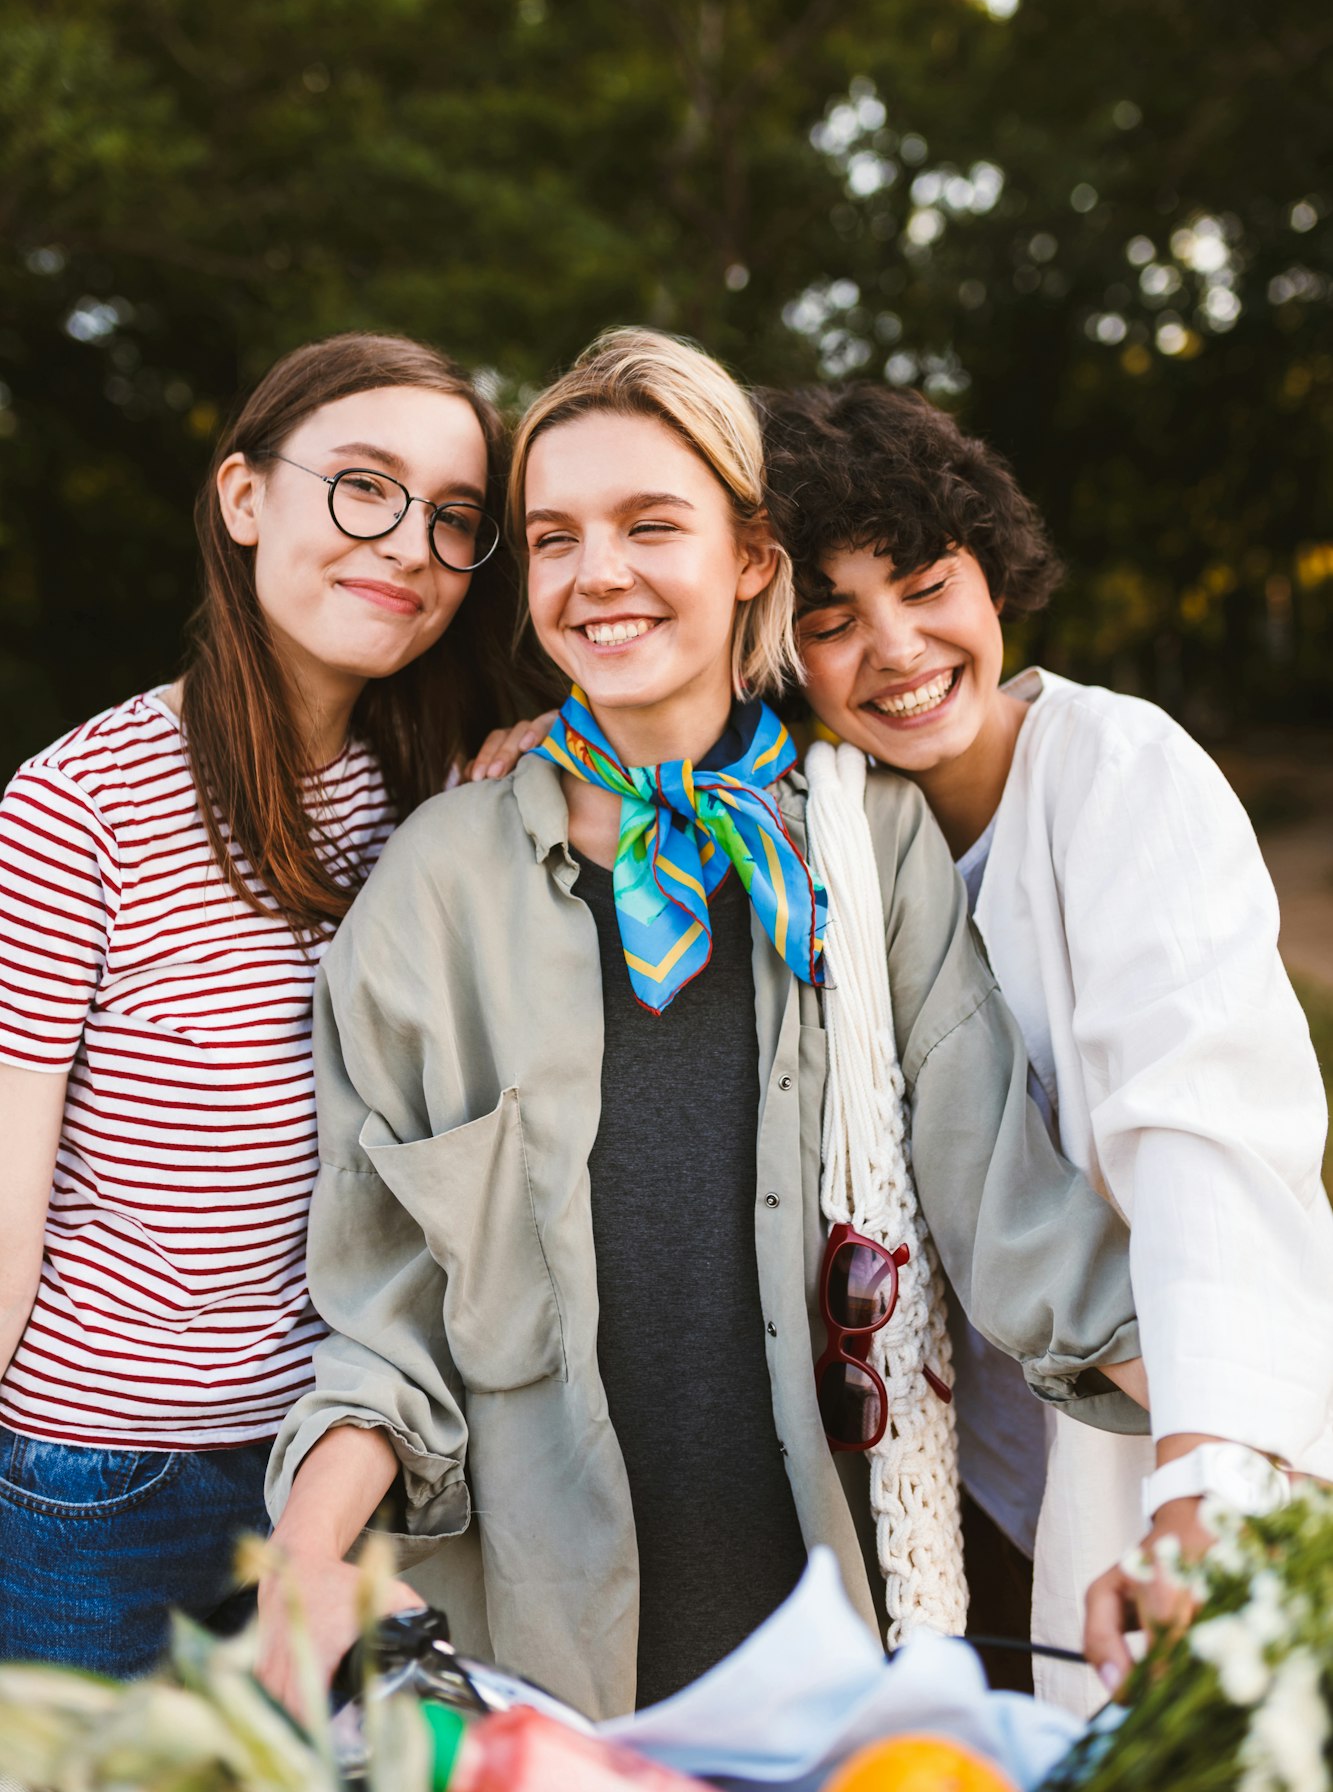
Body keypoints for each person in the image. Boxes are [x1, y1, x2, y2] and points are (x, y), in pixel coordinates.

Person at [258, 328, 1144, 1720]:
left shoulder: (866, 843)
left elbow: (1012, 1217)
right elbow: (387, 1314)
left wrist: (1249, 1441)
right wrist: (308, 1554)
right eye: (552, 537)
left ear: (748, 557)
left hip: (827, 1641)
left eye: (647, 524)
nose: (594, 572)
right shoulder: (434, 885)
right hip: (530, 1656)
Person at [758, 380, 1333, 1713]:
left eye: (922, 584)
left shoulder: (1117, 776)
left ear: (992, 575)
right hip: (940, 1486)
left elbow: (1203, 1140)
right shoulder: (813, 832)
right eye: (828, 622)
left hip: (1160, 1433)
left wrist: (1203, 1482)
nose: (894, 649)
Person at [0, 331, 517, 1675]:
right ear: (243, 499)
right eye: (362, 485)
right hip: (98, 1491)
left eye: (454, 517)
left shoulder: (441, 803)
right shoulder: (77, 808)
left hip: (345, 1477)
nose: (407, 542)